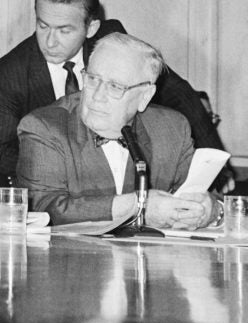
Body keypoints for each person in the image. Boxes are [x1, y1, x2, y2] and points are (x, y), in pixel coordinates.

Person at [0, 0, 234, 192]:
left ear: (91, 28)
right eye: (43, 26)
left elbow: (179, 94)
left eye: (64, 30)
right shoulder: (9, 72)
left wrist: (217, 167)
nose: (49, 41)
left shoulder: (111, 41)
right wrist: (62, 171)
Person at [17, 32, 221, 228]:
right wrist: (137, 206)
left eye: (115, 87)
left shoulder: (172, 128)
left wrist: (208, 211)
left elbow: (199, 195)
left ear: (145, 96)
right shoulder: (44, 127)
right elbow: (44, 209)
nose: (97, 96)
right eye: (92, 79)